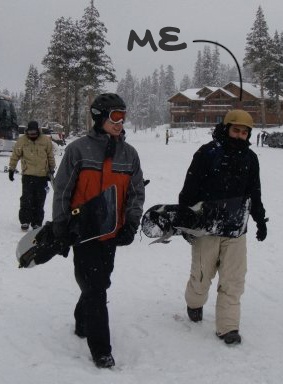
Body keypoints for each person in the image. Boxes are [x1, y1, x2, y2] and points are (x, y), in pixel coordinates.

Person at [52, 93, 145, 368]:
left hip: (111, 232)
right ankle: (101, 349)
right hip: (83, 231)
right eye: (115, 116)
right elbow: (62, 190)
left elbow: (136, 193)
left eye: (123, 116)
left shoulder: (129, 155)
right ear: (100, 117)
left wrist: (131, 223)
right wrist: (60, 225)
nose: (120, 122)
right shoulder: (78, 150)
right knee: (96, 290)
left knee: (99, 283)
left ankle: (82, 321)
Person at [175, 109, 267, 345]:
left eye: (244, 132)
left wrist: (259, 219)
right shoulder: (207, 153)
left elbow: (254, 192)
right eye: (236, 130)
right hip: (207, 228)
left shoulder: (250, 159)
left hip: (237, 229)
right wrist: (185, 220)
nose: (239, 136)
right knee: (202, 278)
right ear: (226, 129)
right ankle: (194, 303)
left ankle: (228, 328)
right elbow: (189, 189)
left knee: (233, 280)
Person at [8, 121, 56, 231]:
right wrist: (11, 169)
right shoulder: (22, 141)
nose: (32, 135)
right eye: (30, 133)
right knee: (26, 199)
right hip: (28, 175)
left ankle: (37, 222)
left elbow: (50, 156)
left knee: (39, 200)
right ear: (27, 131)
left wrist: (51, 170)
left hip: (42, 176)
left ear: (38, 131)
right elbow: (15, 155)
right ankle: (25, 221)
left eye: (34, 133)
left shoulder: (45, 141)